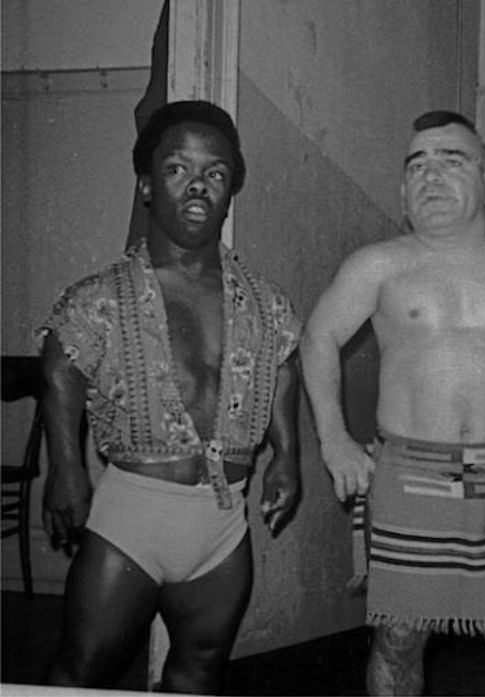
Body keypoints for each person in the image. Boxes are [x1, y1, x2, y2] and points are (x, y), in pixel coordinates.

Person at [300, 110, 485, 696]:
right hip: (408, 475)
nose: (430, 176)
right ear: (402, 192)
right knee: (399, 636)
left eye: (451, 160)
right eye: (417, 166)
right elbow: (319, 338)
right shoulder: (379, 265)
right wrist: (333, 438)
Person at [38, 100, 301, 694]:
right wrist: (66, 467)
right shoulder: (101, 295)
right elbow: (61, 367)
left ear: (231, 187)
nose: (198, 185)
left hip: (223, 522)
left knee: (200, 670)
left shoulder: (264, 301)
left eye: (215, 172)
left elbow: (284, 365)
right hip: (131, 516)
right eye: (178, 168)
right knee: (82, 668)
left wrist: (288, 454)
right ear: (147, 183)